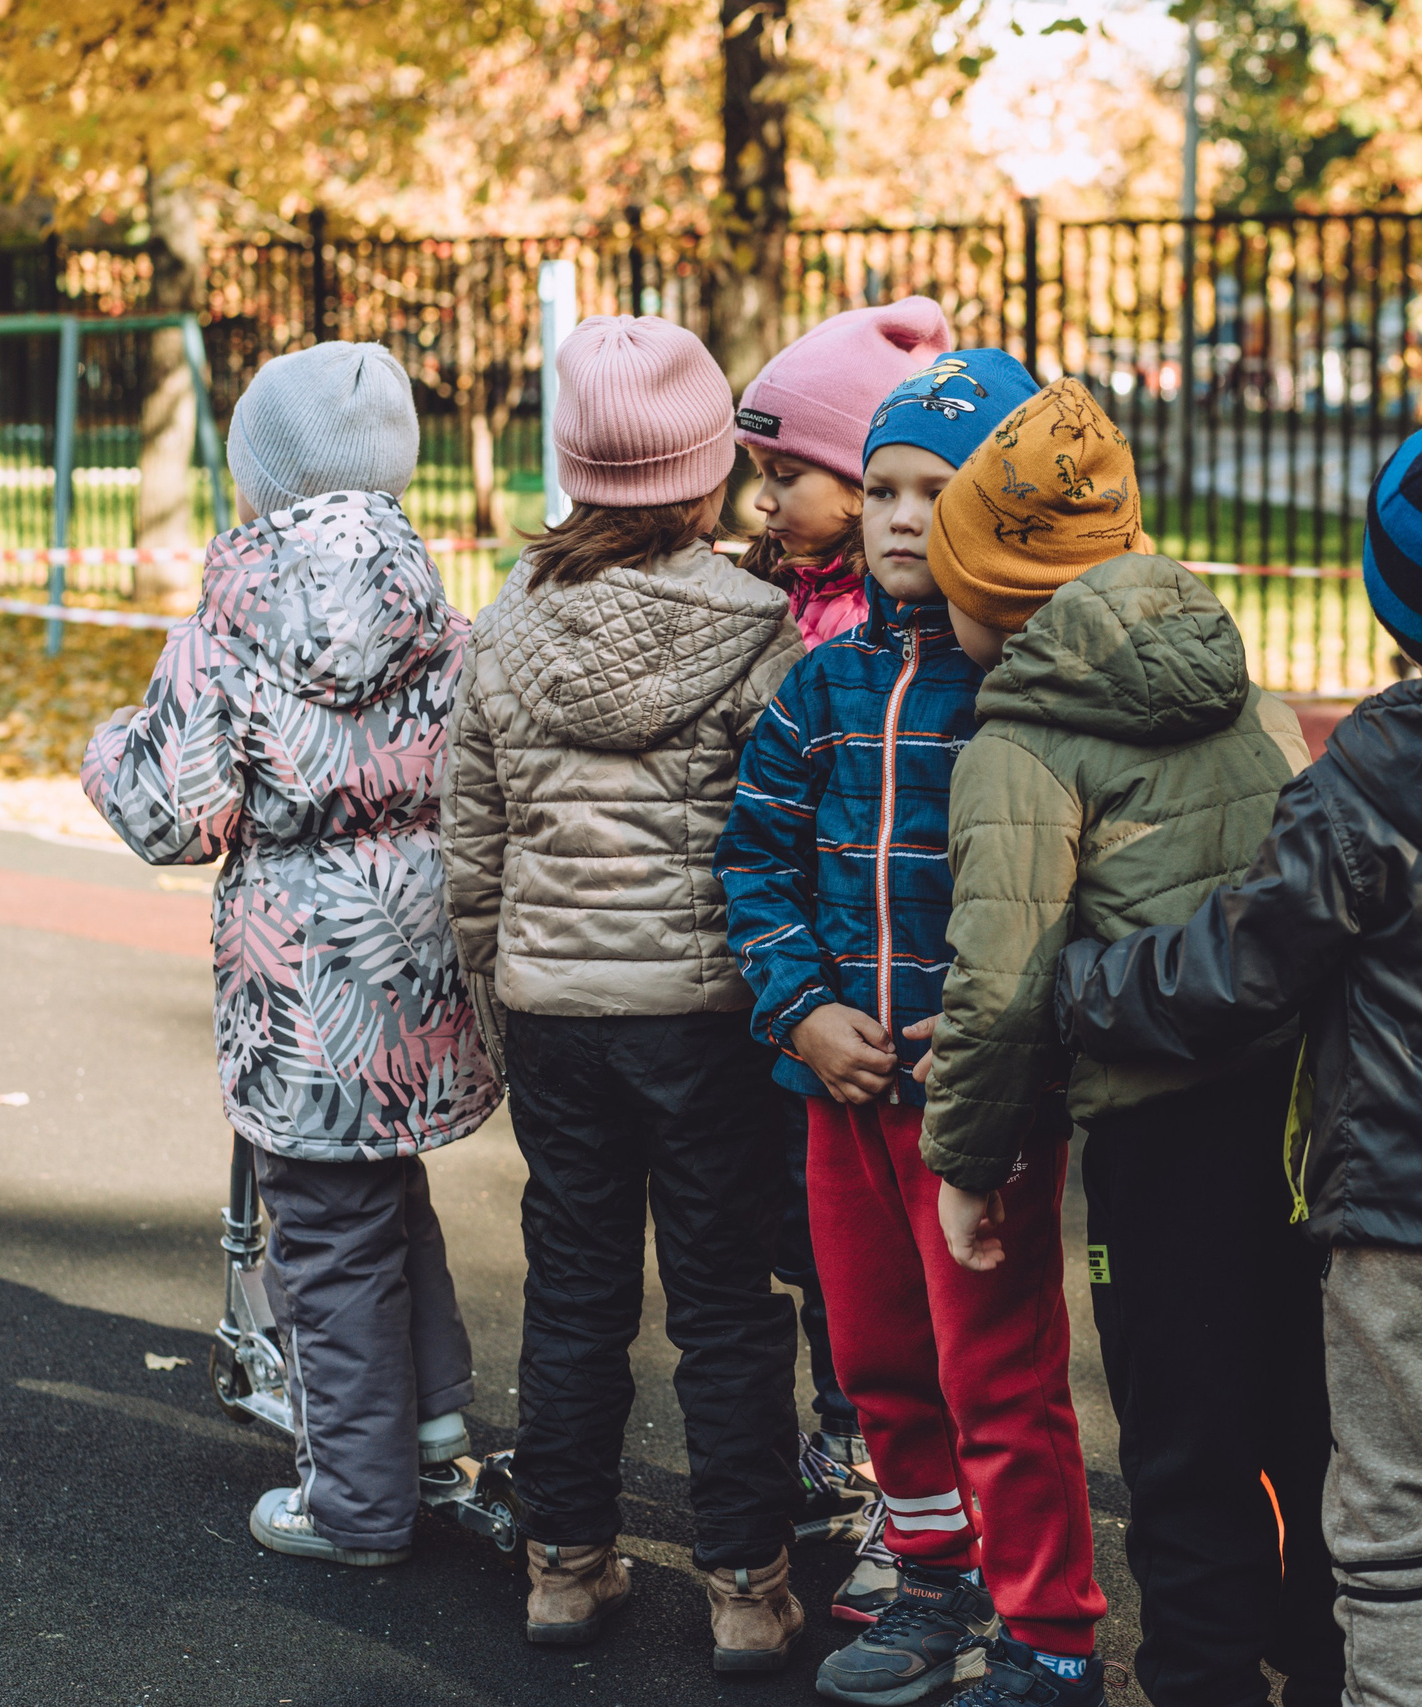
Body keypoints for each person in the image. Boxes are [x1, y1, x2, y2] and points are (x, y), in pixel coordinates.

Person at [1053, 418, 1422, 1707]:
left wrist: (1082, 986)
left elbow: (1238, 968)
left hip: (1406, 1234)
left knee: (1383, 1528)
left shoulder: (1367, 774)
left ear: (1382, 592)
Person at [915, 376, 1336, 1707]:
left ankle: (1204, 1675)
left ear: (1000, 592)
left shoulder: (1022, 742)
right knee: (1303, 1424)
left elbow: (1000, 980)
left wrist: (965, 1160)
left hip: (1158, 1138)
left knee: (1180, 1446)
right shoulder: (1233, 677)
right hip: (1297, 1120)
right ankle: (1334, 1663)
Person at [715, 347, 1111, 1695]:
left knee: (998, 1371)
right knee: (883, 1359)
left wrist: (1006, 1042)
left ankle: (1050, 1631)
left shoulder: (1028, 690)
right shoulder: (817, 690)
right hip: (840, 1097)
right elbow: (756, 864)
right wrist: (804, 1009)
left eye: (931, 491)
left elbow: (1071, 902)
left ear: (992, 513)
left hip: (975, 1109)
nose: (893, 516)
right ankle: (934, 1584)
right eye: (879, 486)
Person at [82, 341, 501, 1569]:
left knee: (320, 1225)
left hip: (302, 980)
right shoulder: (441, 614)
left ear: (258, 479)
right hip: (416, 955)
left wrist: (113, 744)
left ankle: (356, 1502)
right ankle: (427, 1429)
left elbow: (172, 813)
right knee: (390, 1192)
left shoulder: (223, 632)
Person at [440, 315, 811, 1664]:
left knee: (578, 1288)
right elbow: (789, 828)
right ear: (709, 477)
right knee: (722, 1298)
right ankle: (747, 1585)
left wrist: (497, 988)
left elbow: (469, 839)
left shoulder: (507, 629)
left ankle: (565, 1561)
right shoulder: (761, 633)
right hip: (708, 1018)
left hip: (558, 1018)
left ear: (574, 469)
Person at [733, 296, 957, 1517]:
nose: (767, 500)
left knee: (921, 1285)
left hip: (916, 1010)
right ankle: (855, 1439)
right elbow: (760, 834)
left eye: (793, 473)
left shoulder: (917, 637)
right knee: (826, 1257)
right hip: (817, 996)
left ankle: (890, 1465)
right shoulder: (800, 632)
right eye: (761, 472)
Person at [736, 295, 954, 655]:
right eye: (761, 473)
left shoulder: (890, 616)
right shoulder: (766, 576)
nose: (762, 501)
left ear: (862, 480)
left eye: (786, 476)